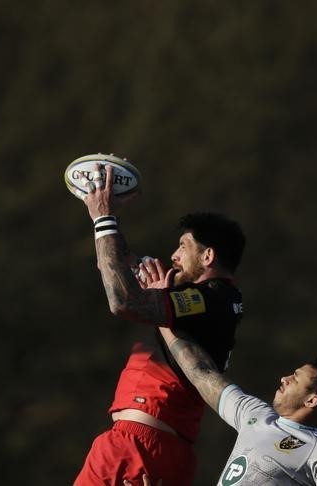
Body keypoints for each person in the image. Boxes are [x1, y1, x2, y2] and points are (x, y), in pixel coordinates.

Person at [73, 164, 246, 486]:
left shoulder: (209, 299)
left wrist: (104, 220)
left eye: (183, 246)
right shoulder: (210, 299)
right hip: (161, 448)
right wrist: (107, 214)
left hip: (138, 445)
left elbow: (124, 301)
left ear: (208, 256)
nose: (174, 255)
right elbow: (118, 266)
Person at [150, 283, 317, 484]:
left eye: (295, 378)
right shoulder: (255, 414)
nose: (284, 379)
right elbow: (201, 373)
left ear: (312, 400)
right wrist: (162, 313)